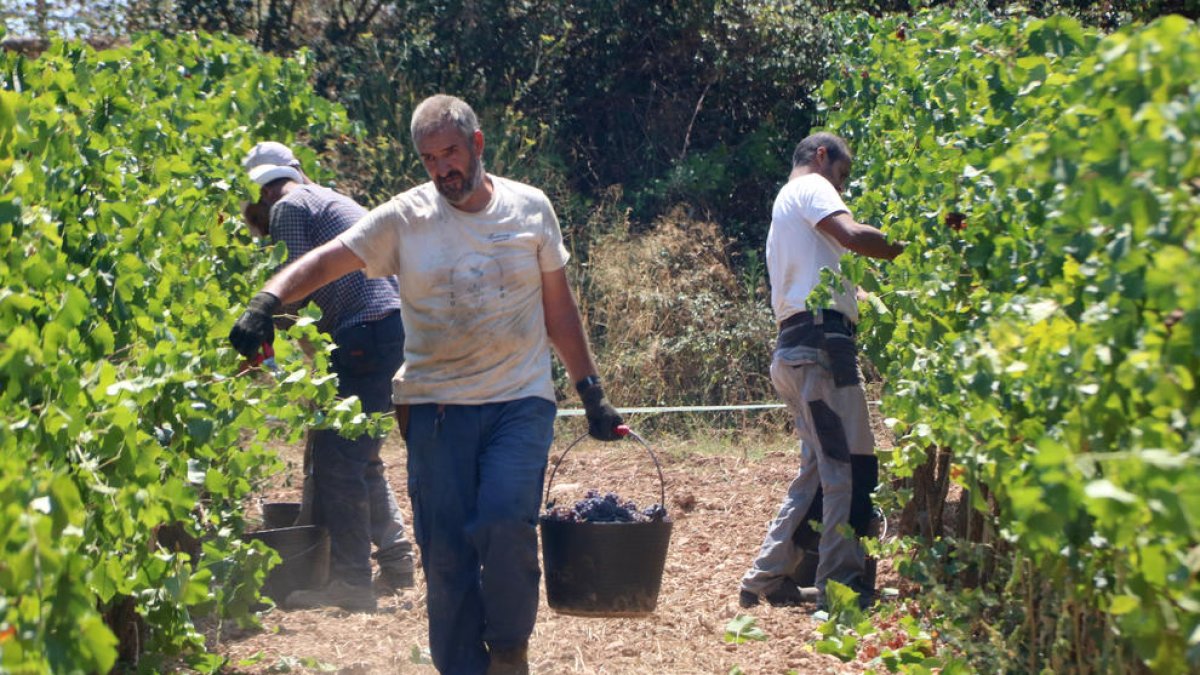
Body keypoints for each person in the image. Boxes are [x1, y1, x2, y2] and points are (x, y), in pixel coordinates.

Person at [228, 96, 624, 675]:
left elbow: (558, 309)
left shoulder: (530, 208)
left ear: (478, 144)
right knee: (444, 555)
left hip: (520, 400)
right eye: (430, 158)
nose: (443, 169)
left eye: (451, 154)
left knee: (506, 521)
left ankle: (510, 648)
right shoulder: (405, 217)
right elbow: (325, 259)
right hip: (435, 408)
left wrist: (590, 389)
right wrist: (268, 299)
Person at [236, 141, 416, 612]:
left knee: (338, 461)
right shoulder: (329, 199)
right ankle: (397, 562)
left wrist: (296, 360)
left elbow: (298, 288)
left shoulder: (288, 207)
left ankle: (352, 582)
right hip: (388, 327)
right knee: (359, 452)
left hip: (362, 331)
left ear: (260, 194)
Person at [738, 132, 903, 610]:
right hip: (821, 349)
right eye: (843, 176)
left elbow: (827, 273)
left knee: (817, 473)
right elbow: (853, 236)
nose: (842, 189)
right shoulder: (812, 188)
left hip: (794, 349)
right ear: (822, 157)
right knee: (852, 468)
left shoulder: (785, 209)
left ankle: (767, 578)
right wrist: (907, 244)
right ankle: (843, 590)